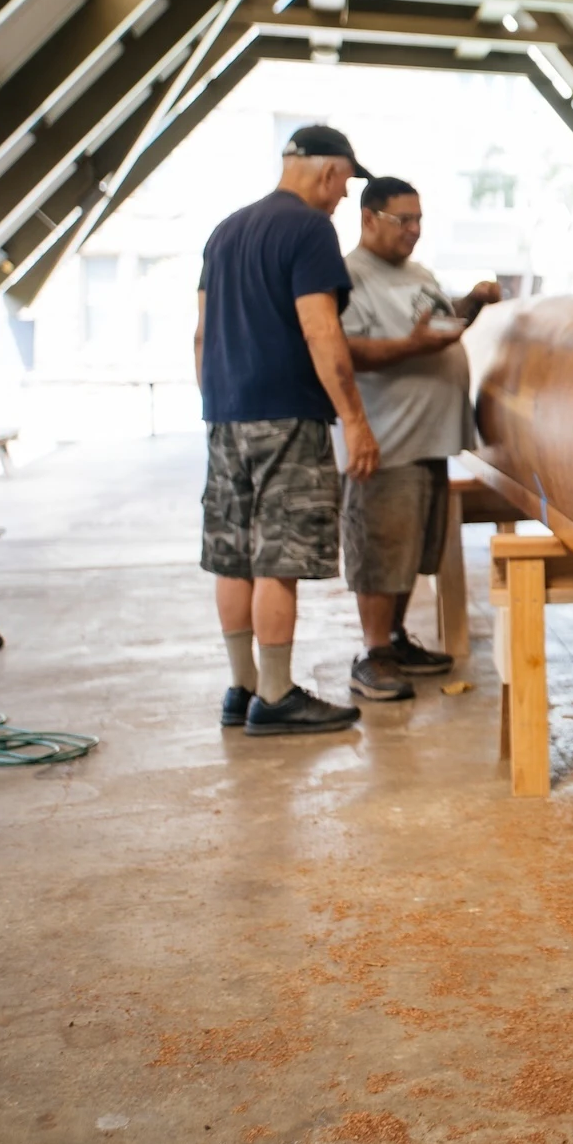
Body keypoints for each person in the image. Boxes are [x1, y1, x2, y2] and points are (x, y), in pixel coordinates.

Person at [195, 124, 381, 738]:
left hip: (225, 415)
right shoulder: (309, 229)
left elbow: (201, 335)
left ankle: (242, 688)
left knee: (233, 555)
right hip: (287, 416)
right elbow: (321, 331)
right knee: (278, 556)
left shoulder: (226, 231)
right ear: (329, 172)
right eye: (346, 184)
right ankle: (275, 697)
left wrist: (219, 404)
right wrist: (354, 421)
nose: (344, 196)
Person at [337, 176, 502, 701]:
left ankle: (395, 639)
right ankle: (372, 653)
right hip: (387, 440)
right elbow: (347, 350)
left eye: (418, 220)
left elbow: (438, 325)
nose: (413, 230)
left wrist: (472, 303)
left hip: (431, 439)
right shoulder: (348, 276)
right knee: (381, 550)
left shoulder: (419, 272)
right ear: (368, 218)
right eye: (402, 220)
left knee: (411, 551)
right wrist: (412, 347)